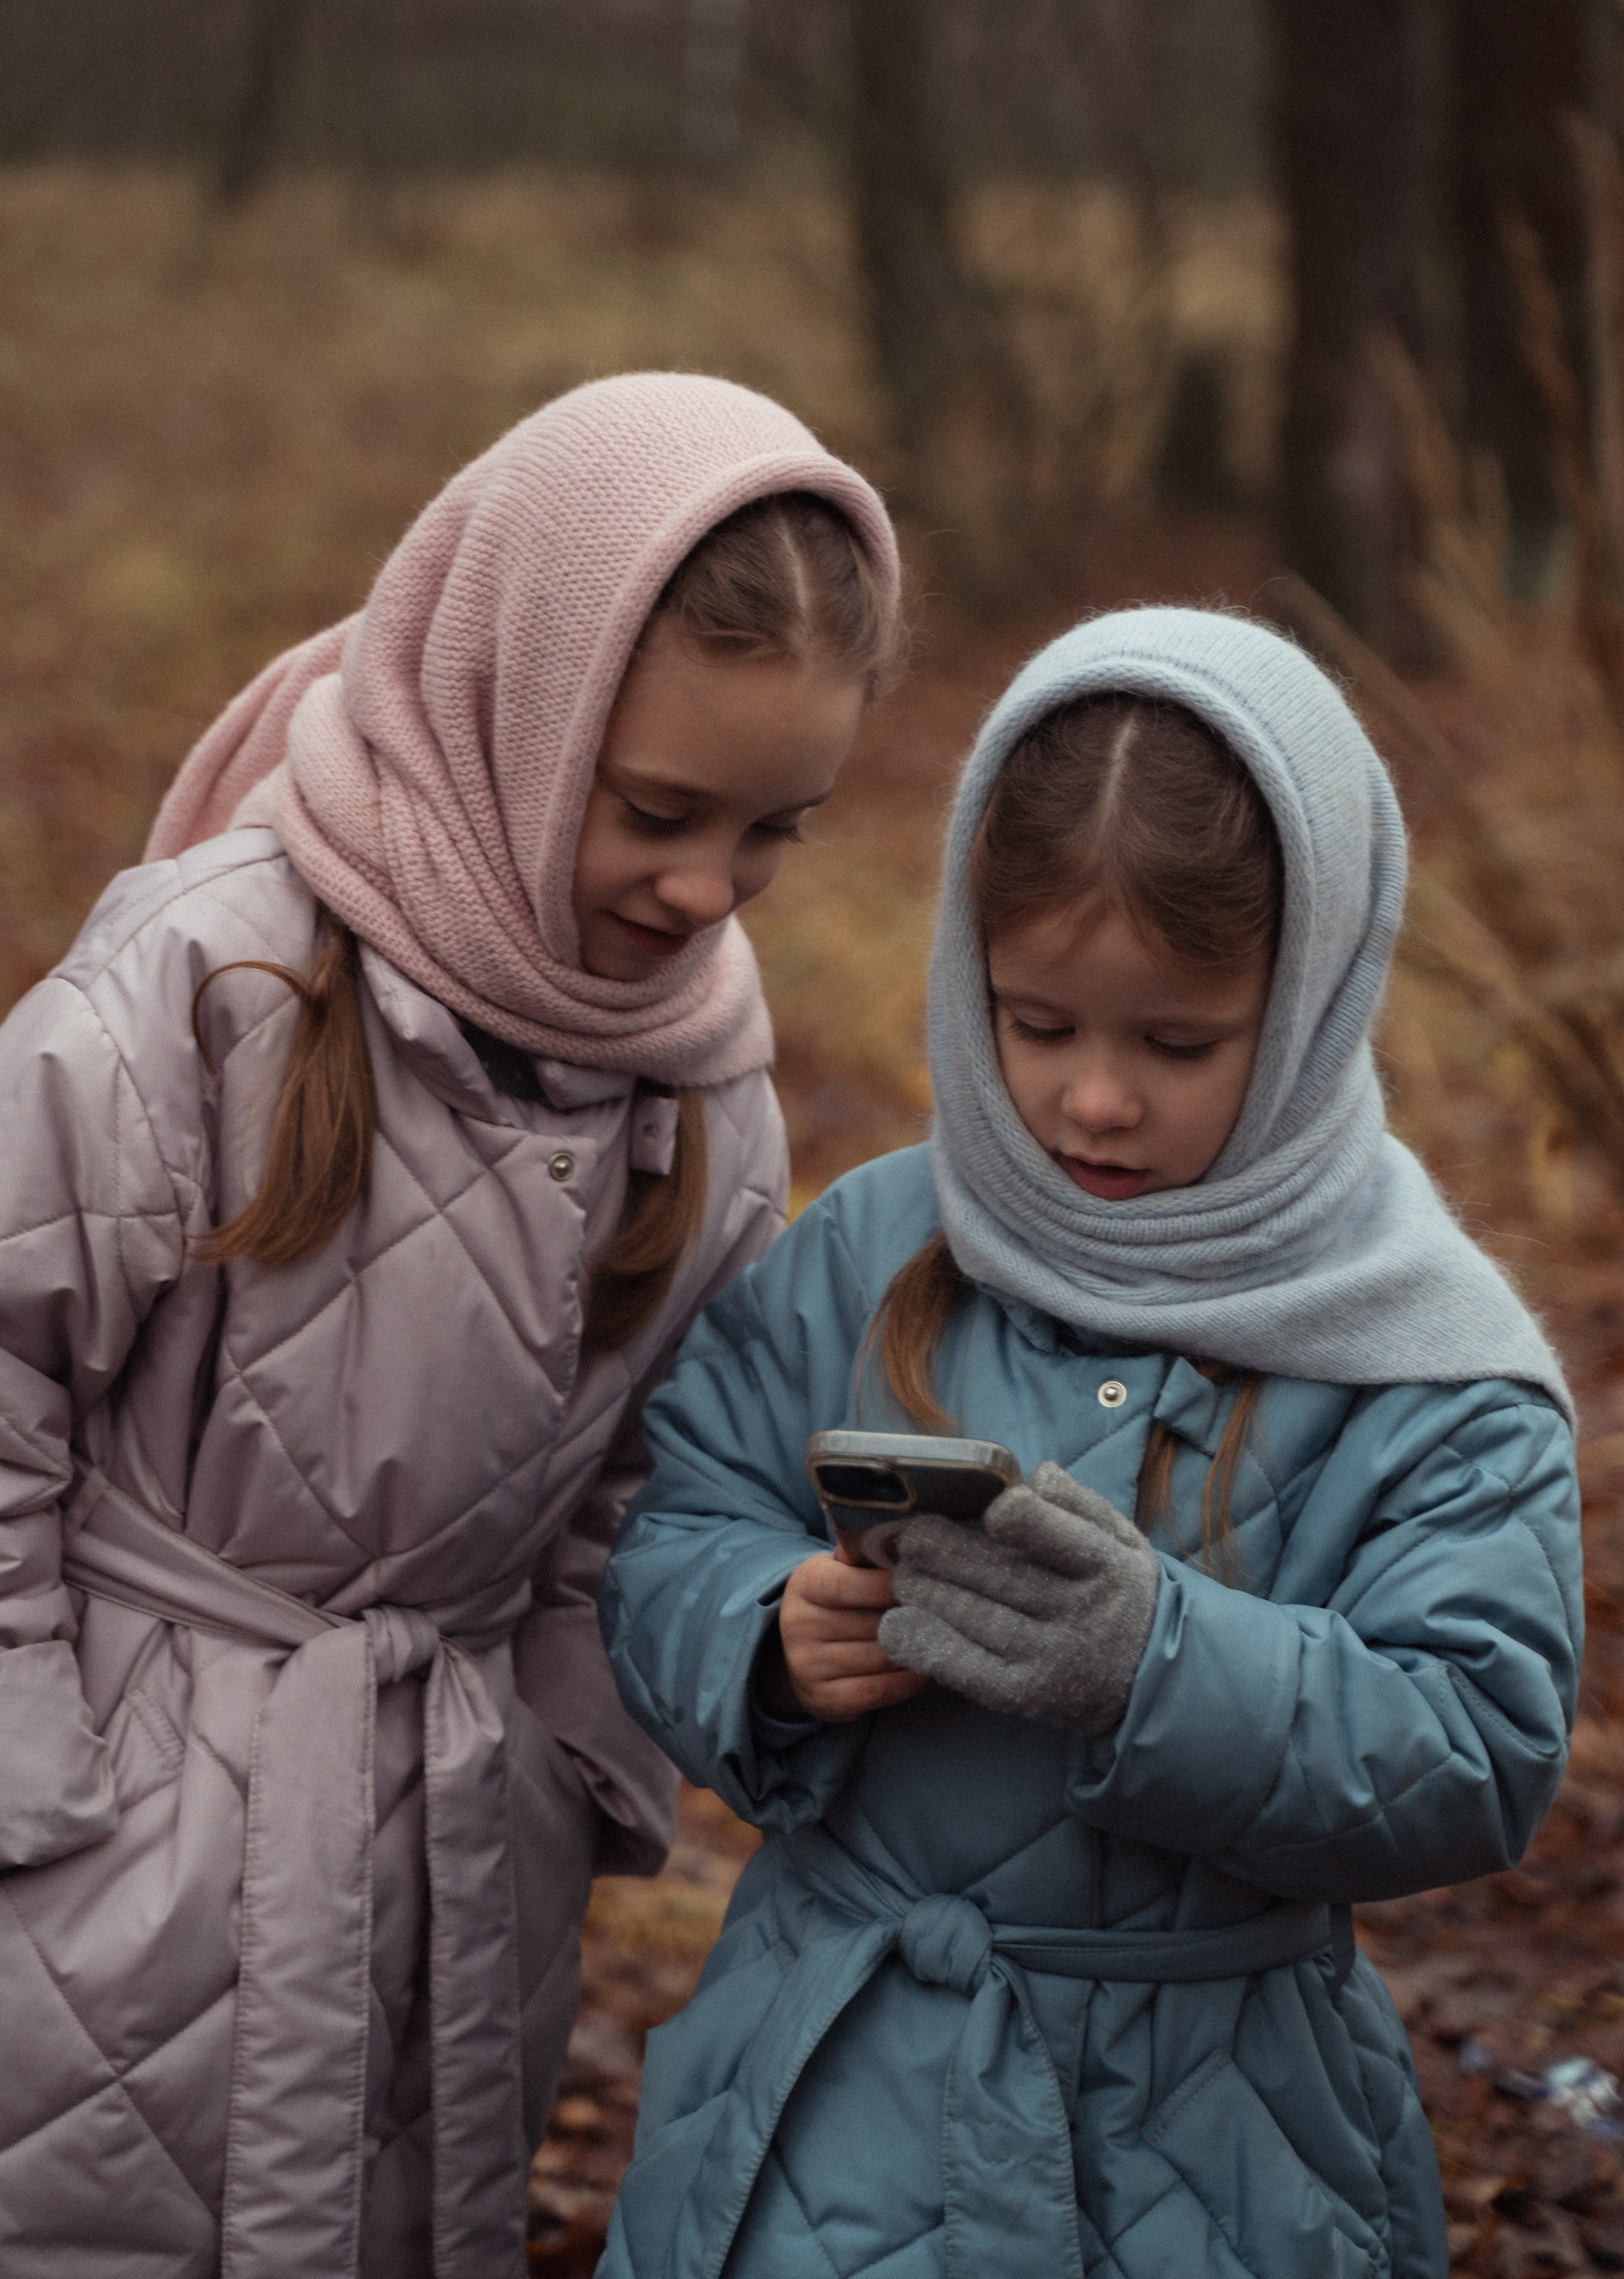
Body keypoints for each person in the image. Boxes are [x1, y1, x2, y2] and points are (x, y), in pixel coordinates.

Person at [0, 372, 899, 2279]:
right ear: (512, 704)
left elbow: (660, 1475)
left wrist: (564, 1771)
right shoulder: (213, 972)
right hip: (84, 1870)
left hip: (448, 1872)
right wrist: (41, 1789)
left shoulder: (698, 1091)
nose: (703, 892)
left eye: (772, 837)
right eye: (657, 812)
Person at [597, 607, 1581, 2279]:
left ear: (1316, 995)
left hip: (1215, 2143)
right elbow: (676, 1516)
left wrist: (1158, 1663)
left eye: (1177, 1044)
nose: (1094, 1103)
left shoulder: (1423, 1355)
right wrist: (766, 1635)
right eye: (1035, 1026)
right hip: (819, 2101)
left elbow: (1479, 1747)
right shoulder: (876, 1250)